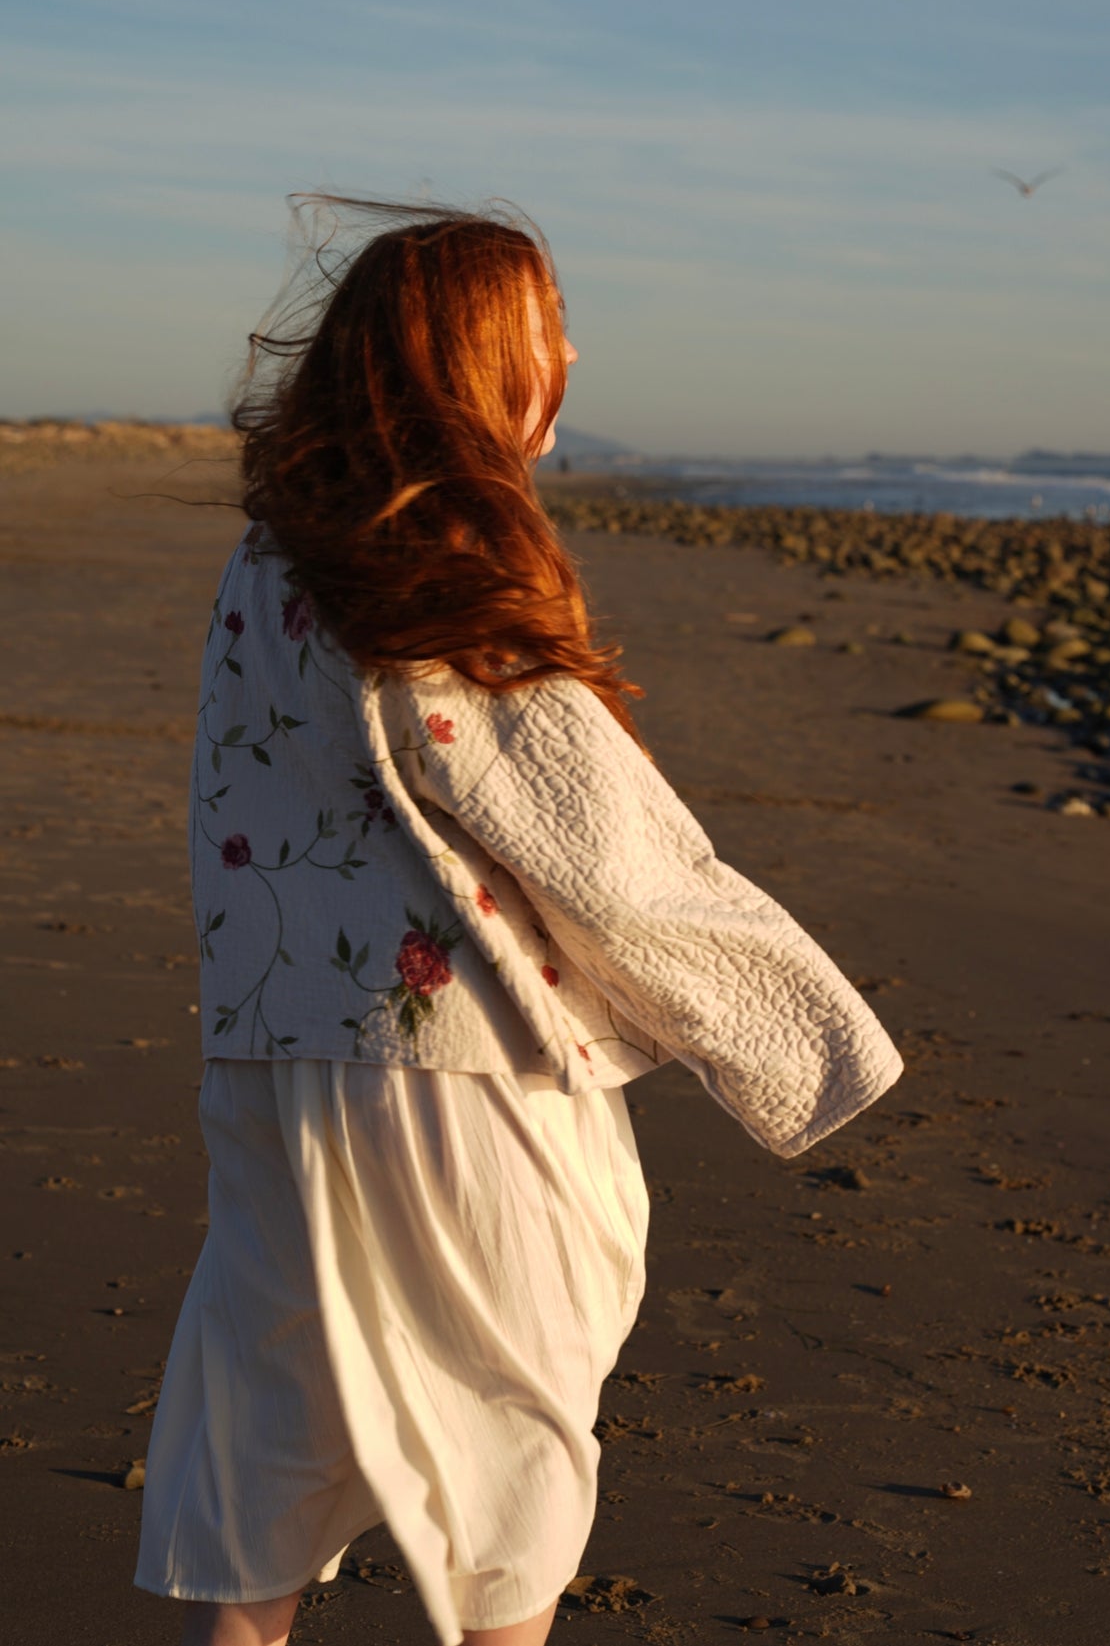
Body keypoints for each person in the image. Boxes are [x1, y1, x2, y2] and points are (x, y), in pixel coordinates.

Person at [134, 198, 903, 1646]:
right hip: (459, 1067)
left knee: (265, 1422)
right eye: (547, 329)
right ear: (471, 360)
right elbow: (595, 843)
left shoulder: (272, 552)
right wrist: (794, 1030)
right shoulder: (436, 549)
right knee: (514, 1431)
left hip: (275, 1053)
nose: (570, 353)